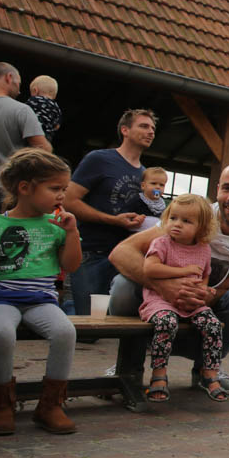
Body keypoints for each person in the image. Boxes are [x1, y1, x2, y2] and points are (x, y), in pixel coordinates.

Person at [108, 162, 229, 396]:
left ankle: (207, 370)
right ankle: (127, 368)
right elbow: (121, 252)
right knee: (123, 285)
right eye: (226, 188)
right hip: (158, 300)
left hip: (202, 306)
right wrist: (165, 288)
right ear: (217, 190)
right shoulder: (190, 215)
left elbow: (228, 287)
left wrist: (200, 296)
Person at [0, 148, 80, 436]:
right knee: (0, 334)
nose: (62, 196)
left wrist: (71, 233)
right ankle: (1, 406)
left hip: (41, 300)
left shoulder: (57, 226)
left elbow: (71, 265)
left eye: (64, 189)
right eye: (54, 188)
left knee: (65, 332)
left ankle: (50, 406)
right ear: (24, 188)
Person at [64, 109, 156, 316]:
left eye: (152, 128)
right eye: (144, 126)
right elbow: (69, 200)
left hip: (126, 258)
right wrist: (113, 220)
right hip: (92, 253)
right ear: (125, 130)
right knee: (88, 322)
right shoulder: (99, 159)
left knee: (120, 323)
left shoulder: (146, 175)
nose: (150, 132)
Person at [139, 194, 227, 401]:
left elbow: (204, 276)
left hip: (190, 304)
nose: (177, 224)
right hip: (161, 300)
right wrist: (183, 271)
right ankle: (159, 374)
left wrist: (204, 291)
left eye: (186, 221)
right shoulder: (162, 243)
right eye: (173, 218)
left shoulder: (203, 249)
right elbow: (150, 269)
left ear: (201, 228)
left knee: (213, 325)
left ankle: (209, 373)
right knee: (166, 323)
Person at [0, 62, 51, 234]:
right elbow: (44, 151)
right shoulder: (21, 110)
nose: (20, 90)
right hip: (8, 192)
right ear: (9, 77)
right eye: (19, 83)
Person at [122, 167, 168, 231]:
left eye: (161, 185)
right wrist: (134, 218)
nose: (158, 187)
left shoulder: (163, 205)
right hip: (136, 233)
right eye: (153, 183)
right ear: (143, 186)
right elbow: (124, 216)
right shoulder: (137, 199)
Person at [24, 75, 62, 143]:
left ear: (35, 91)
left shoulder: (34, 100)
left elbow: (23, 111)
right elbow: (57, 126)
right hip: (47, 136)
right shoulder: (56, 107)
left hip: (34, 132)